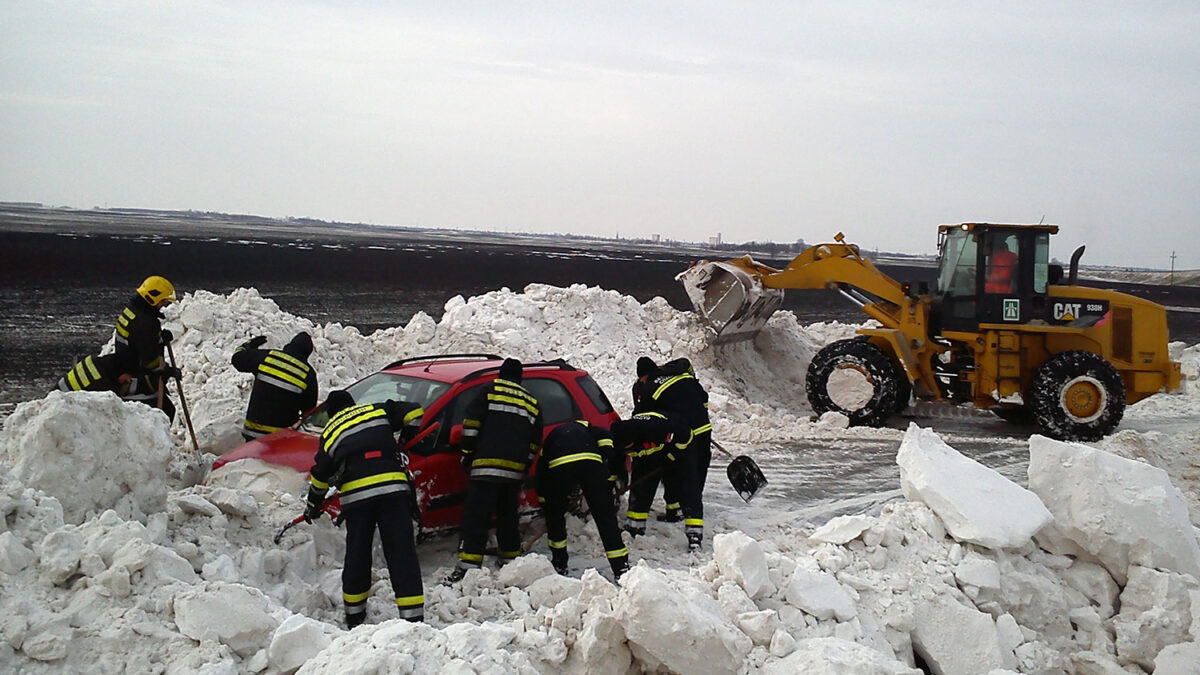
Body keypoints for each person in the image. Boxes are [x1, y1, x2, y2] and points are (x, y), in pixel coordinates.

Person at [303, 390, 425, 628]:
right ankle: (413, 619)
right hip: (393, 490)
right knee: (402, 552)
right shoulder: (377, 410)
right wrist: (403, 443)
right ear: (353, 404)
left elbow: (320, 476)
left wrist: (313, 505)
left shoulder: (330, 432)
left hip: (358, 498)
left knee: (357, 554)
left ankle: (355, 615)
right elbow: (415, 412)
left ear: (331, 413)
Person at [445, 358, 543, 583]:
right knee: (507, 515)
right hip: (513, 473)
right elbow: (533, 444)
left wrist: (468, 454)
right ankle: (509, 558)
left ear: (501, 374)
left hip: (485, 468)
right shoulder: (531, 402)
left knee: (477, 516)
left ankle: (469, 565)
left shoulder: (488, 391)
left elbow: (471, 426)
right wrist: (523, 467)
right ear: (520, 378)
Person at [535, 420, 630, 580]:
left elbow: (542, 470)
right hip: (590, 464)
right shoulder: (590, 429)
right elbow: (606, 438)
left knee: (555, 519)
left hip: (559, 466)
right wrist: (605, 465)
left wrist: (548, 501)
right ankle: (621, 568)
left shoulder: (551, 438)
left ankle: (559, 563)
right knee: (605, 517)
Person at [611, 410, 704, 551]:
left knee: (687, 486)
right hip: (650, 452)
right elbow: (617, 467)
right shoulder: (618, 439)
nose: (627, 451)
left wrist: (672, 456)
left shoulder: (654, 429)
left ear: (633, 440)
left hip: (681, 444)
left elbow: (684, 436)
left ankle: (694, 533)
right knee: (641, 485)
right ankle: (635, 526)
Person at [643, 357, 712, 518]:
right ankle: (688, 506)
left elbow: (648, 412)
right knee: (696, 468)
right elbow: (703, 398)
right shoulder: (684, 378)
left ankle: (678, 509)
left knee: (675, 466)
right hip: (701, 429)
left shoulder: (652, 386)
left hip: (685, 431)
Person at [112, 275, 180, 420]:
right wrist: (169, 371)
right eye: (163, 301)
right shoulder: (146, 323)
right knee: (164, 414)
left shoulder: (132, 311)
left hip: (124, 370)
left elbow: (138, 341)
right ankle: (156, 443)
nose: (164, 305)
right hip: (137, 381)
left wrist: (160, 339)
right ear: (152, 298)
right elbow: (150, 361)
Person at [231, 332, 319, 441]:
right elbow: (309, 412)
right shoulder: (307, 374)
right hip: (280, 440)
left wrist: (248, 345)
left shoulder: (268, 357)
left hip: (252, 434)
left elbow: (236, 359)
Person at [54, 352, 133, 395]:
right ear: (122, 372)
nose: (128, 381)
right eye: (128, 378)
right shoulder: (102, 383)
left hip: (56, 394)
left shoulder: (97, 362)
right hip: (61, 404)